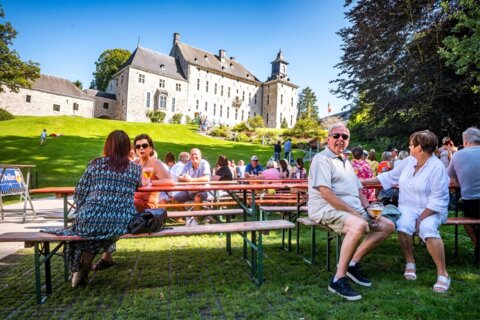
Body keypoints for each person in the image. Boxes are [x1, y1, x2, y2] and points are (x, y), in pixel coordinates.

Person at [308, 123, 394, 301]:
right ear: (328, 138)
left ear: (348, 141)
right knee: (358, 225)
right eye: (336, 135)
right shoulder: (322, 159)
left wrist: (368, 208)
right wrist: (355, 214)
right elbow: (326, 193)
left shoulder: (346, 162)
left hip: (350, 210)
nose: (340, 139)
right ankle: (338, 279)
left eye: (344, 137)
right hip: (326, 208)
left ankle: (352, 264)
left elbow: (359, 190)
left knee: (387, 226)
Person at [363, 130, 451, 293]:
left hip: (432, 209)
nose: (409, 147)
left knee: (427, 229)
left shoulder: (437, 167)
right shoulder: (409, 161)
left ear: (420, 148)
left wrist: (420, 219)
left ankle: (442, 273)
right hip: (407, 207)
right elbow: (388, 177)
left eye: (411, 144)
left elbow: (438, 199)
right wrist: (362, 182)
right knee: (403, 225)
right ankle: (410, 263)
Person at [66, 130, 142, 288]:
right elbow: (138, 186)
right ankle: (91, 265)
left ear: (108, 146)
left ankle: (81, 268)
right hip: (122, 220)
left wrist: (85, 210)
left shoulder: (96, 164)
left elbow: (79, 193)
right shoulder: (135, 169)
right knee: (106, 228)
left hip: (92, 218)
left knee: (91, 228)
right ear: (128, 147)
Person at [447, 127, 480, 252]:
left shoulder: (458, 155)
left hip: (471, 204)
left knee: (467, 220)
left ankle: (477, 244)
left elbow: (452, 181)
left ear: (466, 141)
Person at [133, 134, 174, 212]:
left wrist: (151, 182)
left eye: (144, 146)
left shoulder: (155, 163)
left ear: (151, 148)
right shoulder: (135, 163)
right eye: (138, 146)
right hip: (133, 199)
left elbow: (170, 181)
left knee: (125, 203)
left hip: (147, 204)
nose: (141, 148)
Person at [172, 148, 211, 225]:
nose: (194, 156)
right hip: (188, 190)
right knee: (174, 200)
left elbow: (206, 178)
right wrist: (185, 179)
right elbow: (180, 178)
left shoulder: (204, 163)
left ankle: (195, 220)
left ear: (200, 156)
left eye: (196, 154)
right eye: (192, 154)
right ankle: (188, 216)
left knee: (198, 198)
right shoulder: (187, 164)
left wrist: (191, 180)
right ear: (190, 156)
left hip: (202, 190)